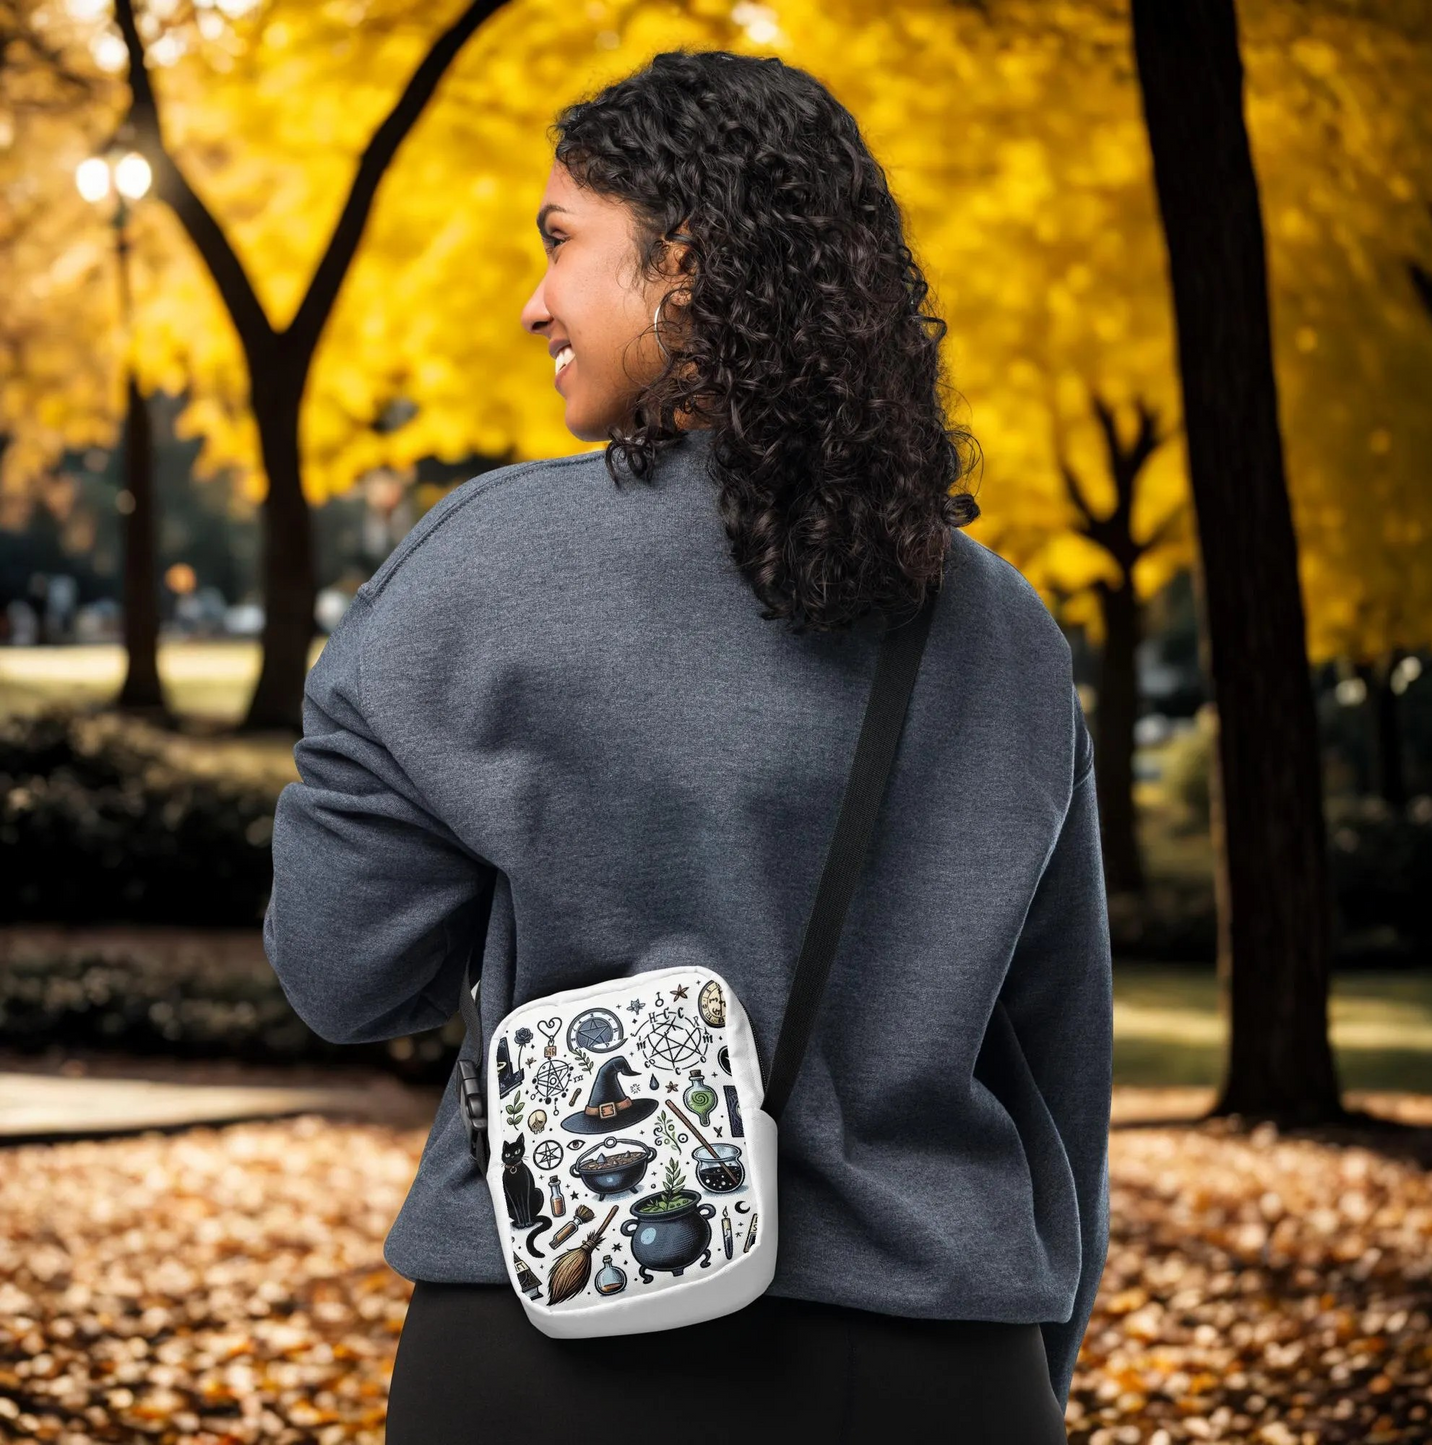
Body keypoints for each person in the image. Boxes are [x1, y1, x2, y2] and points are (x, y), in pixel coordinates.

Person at [263, 49, 1112, 1445]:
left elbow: (346, 976)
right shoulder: (1004, 631)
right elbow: (1061, 1071)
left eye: (559, 244)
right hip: (935, 1362)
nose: (534, 300)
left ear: (686, 266)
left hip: (553, 1344)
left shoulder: (482, 572)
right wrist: (1023, 1364)